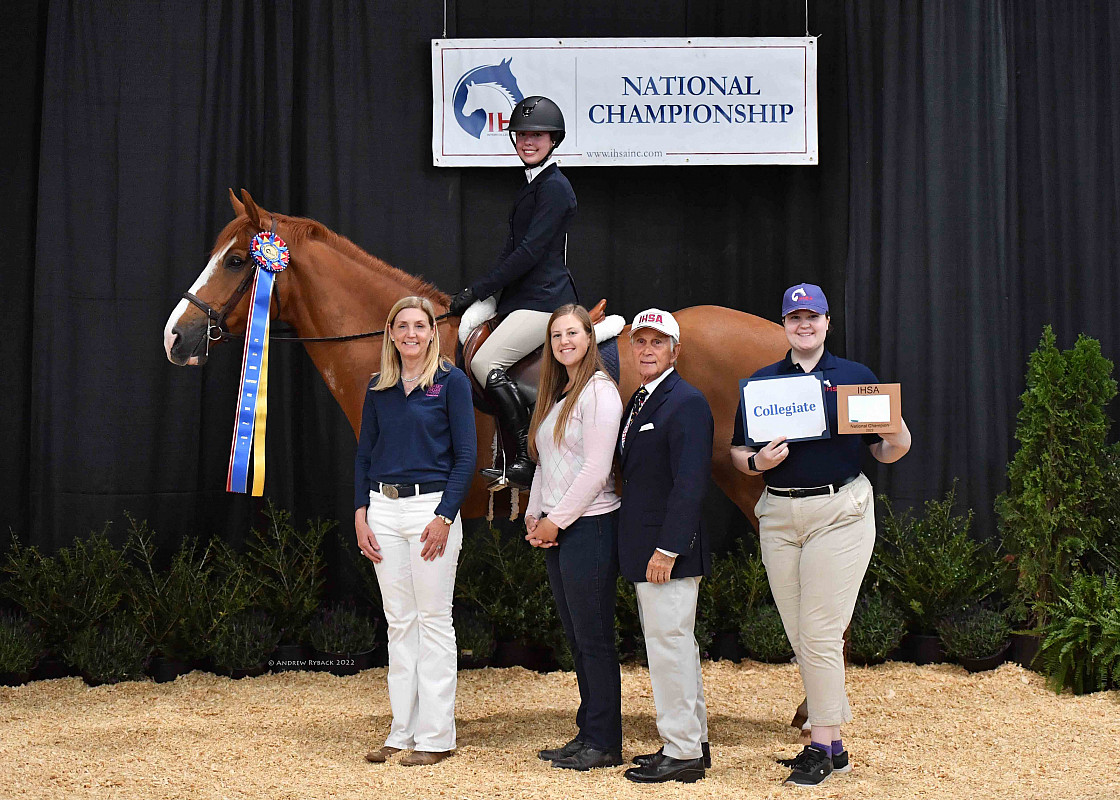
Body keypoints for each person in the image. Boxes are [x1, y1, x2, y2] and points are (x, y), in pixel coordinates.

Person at [730, 283, 911, 787]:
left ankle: (819, 743)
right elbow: (736, 453)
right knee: (800, 634)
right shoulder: (763, 384)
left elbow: (885, 450)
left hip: (839, 510)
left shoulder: (855, 379)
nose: (804, 325)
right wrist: (756, 462)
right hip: (780, 516)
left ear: (827, 323)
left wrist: (898, 435)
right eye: (795, 318)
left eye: (813, 317)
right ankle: (835, 747)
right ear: (784, 325)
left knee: (820, 633)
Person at [354, 296, 477, 767]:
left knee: (433, 622)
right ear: (390, 332)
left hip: (431, 510)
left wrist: (445, 516)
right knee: (399, 624)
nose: (410, 333)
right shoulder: (379, 387)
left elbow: (466, 455)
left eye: (419, 326)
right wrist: (361, 511)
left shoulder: (451, 382)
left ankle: (435, 737)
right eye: (401, 325)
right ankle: (400, 731)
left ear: (432, 332)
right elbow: (365, 454)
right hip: (384, 510)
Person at [447, 95, 578, 490]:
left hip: (544, 301)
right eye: (521, 135)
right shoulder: (533, 186)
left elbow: (530, 253)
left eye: (536, 135)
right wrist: (484, 293)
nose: (527, 142)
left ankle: (525, 457)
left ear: (553, 140)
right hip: (522, 298)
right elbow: (511, 249)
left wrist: (478, 289)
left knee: (486, 364)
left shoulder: (555, 187)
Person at [523, 304, 624, 771]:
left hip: (591, 526)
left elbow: (596, 470)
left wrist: (555, 521)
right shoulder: (559, 396)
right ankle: (588, 731)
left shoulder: (600, 392)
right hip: (561, 527)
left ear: (589, 337)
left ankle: (605, 741)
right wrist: (533, 513)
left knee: (596, 637)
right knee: (578, 636)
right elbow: (546, 462)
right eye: (557, 335)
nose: (565, 341)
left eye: (573, 333)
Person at [615, 309, 713, 785]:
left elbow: (691, 483)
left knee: (669, 647)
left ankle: (682, 752)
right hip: (647, 547)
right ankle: (691, 741)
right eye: (641, 342)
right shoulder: (641, 399)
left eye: (658, 342)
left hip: (666, 553)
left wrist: (670, 549)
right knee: (676, 647)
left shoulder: (686, 401)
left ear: (676, 350)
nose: (647, 350)